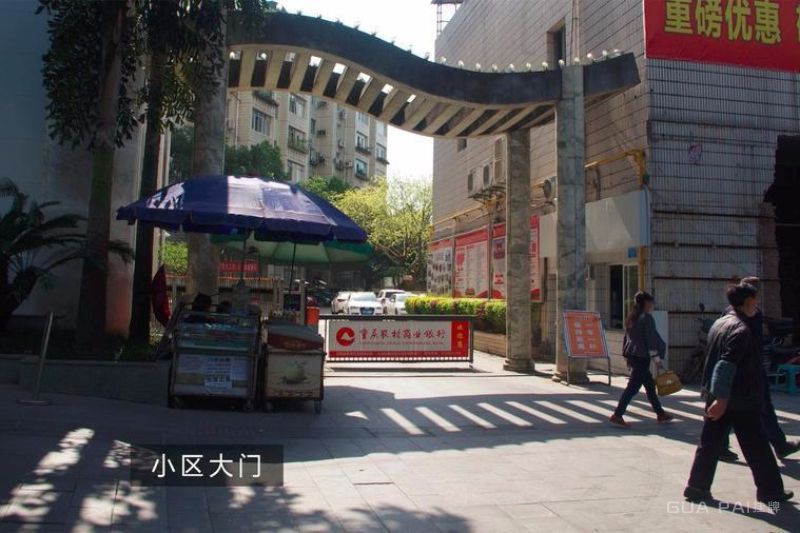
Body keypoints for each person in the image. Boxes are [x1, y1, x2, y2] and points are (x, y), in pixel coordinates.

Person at [684, 283, 793, 504]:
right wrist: (722, 399)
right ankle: (771, 492)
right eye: (756, 301)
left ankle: (696, 487)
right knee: (758, 447)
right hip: (739, 398)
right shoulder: (741, 330)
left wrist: (715, 397)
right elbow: (726, 365)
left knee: (709, 445)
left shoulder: (719, 323)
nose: (757, 305)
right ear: (749, 302)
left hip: (719, 396)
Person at [718, 277, 800, 463]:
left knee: (734, 409)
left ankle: (722, 446)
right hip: (749, 370)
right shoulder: (751, 315)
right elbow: (751, 345)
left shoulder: (727, 313)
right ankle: (778, 445)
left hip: (741, 370)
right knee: (759, 408)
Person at [609, 291, 674, 428]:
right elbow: (651, 340)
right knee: (632, 388)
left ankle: (660, 413)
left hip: (634, 356)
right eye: (650, 302)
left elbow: (628, 339)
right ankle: (618, 414)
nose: (652, 305)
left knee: (650, 386)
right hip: (642, 357)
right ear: (646, 302)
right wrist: (657, 361)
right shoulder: (647, 318)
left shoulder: (632, 318)